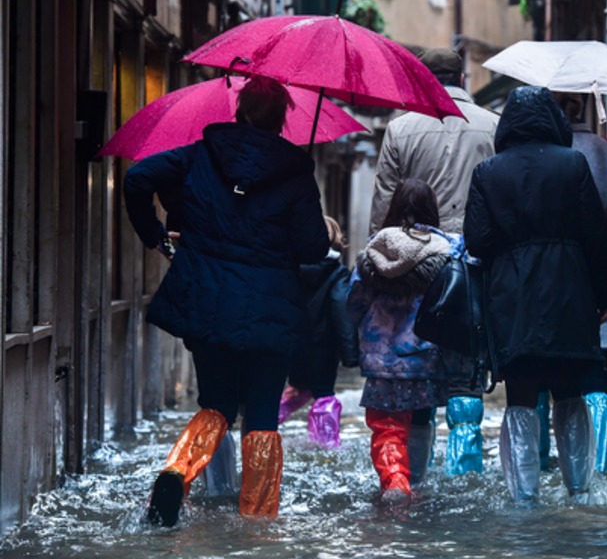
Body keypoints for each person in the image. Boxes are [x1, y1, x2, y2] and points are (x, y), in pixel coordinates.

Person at [124, 76, 330, 526]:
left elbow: (137, 178)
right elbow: (314, 248)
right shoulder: (295, 171)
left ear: (239, 111)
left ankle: (177, 472)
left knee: (215, 403)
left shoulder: (201, 154)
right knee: (261, 415)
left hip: (208, 301)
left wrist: (157, 237)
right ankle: (256, 524)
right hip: (270, 310)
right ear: (282, 120)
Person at [463, 86, 607, 504]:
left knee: (522, 396)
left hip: (512, 298)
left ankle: (524, 497)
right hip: (571, 292)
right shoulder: (574, 164)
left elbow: (476, 241)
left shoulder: (489, 171)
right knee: (570, 390)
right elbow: (595, 238)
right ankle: (579, 491)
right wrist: (601, 297)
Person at [369, 48, 499, 479]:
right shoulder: (492, 126)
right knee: (465, 377)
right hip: (472, 268)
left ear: (422, 78)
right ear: (462, 76)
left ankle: (417, 480)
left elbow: (384, 206)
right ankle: (466, 480)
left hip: (413, 265)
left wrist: (379, 267)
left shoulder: (401, 128)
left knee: (417, 379)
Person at [534, 93, 607, 473]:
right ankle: (598, 463)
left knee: (539, 369)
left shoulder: (543, 152)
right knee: (596, 369)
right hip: (595, 265)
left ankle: (539, 461)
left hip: (546, 270)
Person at [348, 179, 453, 500]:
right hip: (424, 354)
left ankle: (395, 482)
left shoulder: (375, 249)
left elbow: (354, 301)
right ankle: (414, 485)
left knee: (385, 425)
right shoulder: (444, 251)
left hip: (380, 358)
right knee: (421, 419)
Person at [277, 216, 359, 449]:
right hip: (323, 348)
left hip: (292, 345)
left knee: (298, 388)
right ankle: (325, 445)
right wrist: (350, 354)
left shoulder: (290, 268)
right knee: (324, 395)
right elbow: (340, 310)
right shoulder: (338, 274)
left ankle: (260, 424)